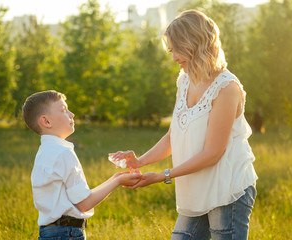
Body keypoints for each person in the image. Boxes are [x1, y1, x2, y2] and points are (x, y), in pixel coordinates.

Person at [110, 10, 258, 240]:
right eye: (171, 51)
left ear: (195, 44)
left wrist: (162, 176)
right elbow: (173, 135)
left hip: (227, 189)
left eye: (176, 50)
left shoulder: (227, 88)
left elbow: (212, 153)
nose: (173, 58)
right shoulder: (185, 79)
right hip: (196, 190)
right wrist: (140, 161)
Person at [22, 90, 141, 240]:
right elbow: (84, 204)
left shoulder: (44, 152)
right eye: (64, 110)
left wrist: (115, 177)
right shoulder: (63, 153)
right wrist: (117, 182)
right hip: (67, 234)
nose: (72, 114)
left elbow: (79, 199)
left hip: (49, 232)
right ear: (46, 121)